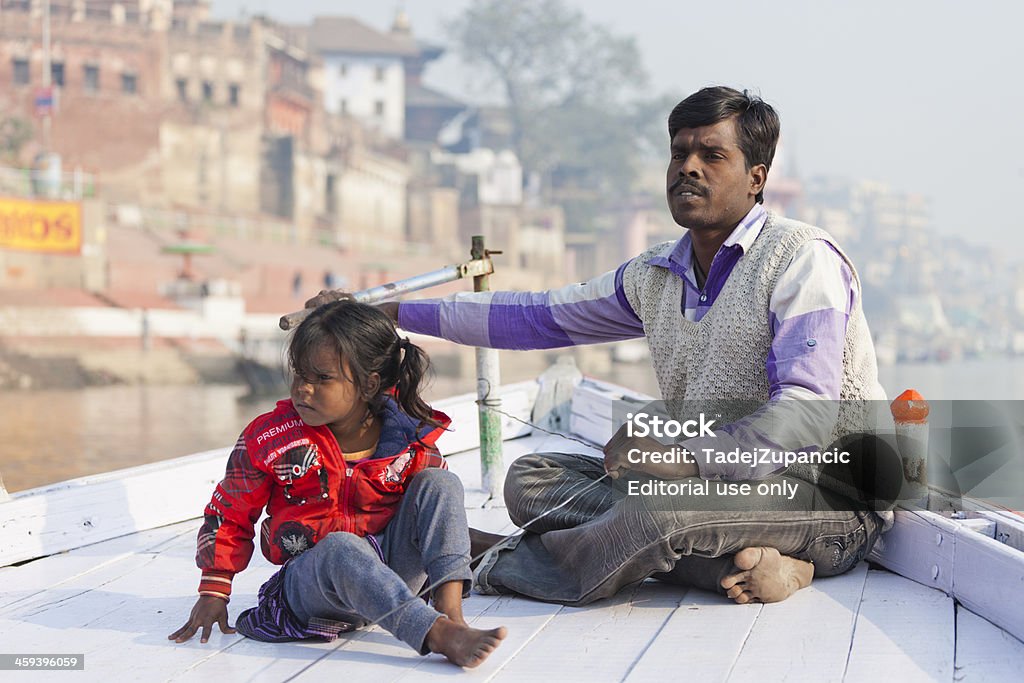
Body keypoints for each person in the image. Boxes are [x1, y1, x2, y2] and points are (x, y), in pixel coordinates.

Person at [308, 86, 896, 608]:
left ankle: (483, 564)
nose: (688, 168)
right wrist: (388, 312)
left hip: (828, 496)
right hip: (722, 493)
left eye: (712, 156)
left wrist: (685, 460)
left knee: (656, 512)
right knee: (529, 481)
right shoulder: (657, 272)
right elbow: (539, 317)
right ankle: (738, 568)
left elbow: (807, 413)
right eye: (678, 153)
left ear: (756, 178)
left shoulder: (802, 259)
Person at [168, 300, 506, 667]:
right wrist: (214, 590)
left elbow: (437, 516)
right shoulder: (272, 437)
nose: (303, 389)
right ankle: (435, 634)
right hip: (313, 588)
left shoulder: (408, 437)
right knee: (341, 548)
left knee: (440, 483)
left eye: (322, 378)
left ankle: (451, 615)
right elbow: (228, 513)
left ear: (368, 384)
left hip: (393, 580)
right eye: (299, 374)